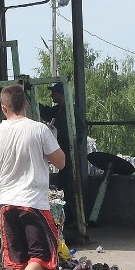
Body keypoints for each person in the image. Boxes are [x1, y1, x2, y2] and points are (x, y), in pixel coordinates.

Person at [0, 84, 65, 270]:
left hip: (7, 204)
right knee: (42, 256)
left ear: (3, 107)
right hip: (33, 203)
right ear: (26, 104)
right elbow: (60, 162)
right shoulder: (39, 130)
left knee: (19, 260)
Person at [40, 81, 86, 227]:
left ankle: (73, 219)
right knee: (63, 184)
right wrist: (27, 97)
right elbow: (45, 112)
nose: (51, 95)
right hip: (64, 152)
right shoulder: (59, 110)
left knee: (70, 186)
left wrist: (69, 145)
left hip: (71, 153)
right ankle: (68, 217)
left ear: (60, 94)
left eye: (53, 93)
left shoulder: (71, 111)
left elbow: (80, 131)